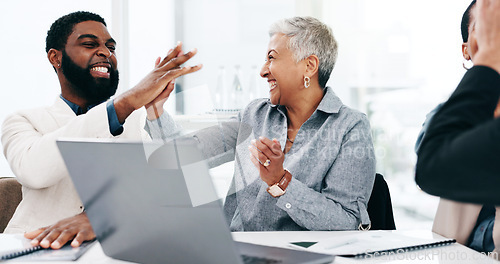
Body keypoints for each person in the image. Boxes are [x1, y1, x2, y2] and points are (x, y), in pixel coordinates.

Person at [146, 16, 376, 231]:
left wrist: (280, 181)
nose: (263, 71)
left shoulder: (350, 127)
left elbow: (347, 221)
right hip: (238, 253)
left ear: (309, 66)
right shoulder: (254, 114)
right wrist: (155, 110)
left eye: (272, 58)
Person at [1, 11, 201, 248]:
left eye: (111, 47)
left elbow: (190, 187)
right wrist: (123, 104)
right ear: (56, 57)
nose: (106, 52)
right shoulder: (23, 120)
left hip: (121, 249)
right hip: (35, 248)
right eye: (89, 44)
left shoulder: (139, 120)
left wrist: (155, 111)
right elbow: (34, 170)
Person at [415, 0, 500, 256]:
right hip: (459, 253)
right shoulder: (446, 117)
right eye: (488, 28)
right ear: (468, 49)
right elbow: (433, 158)